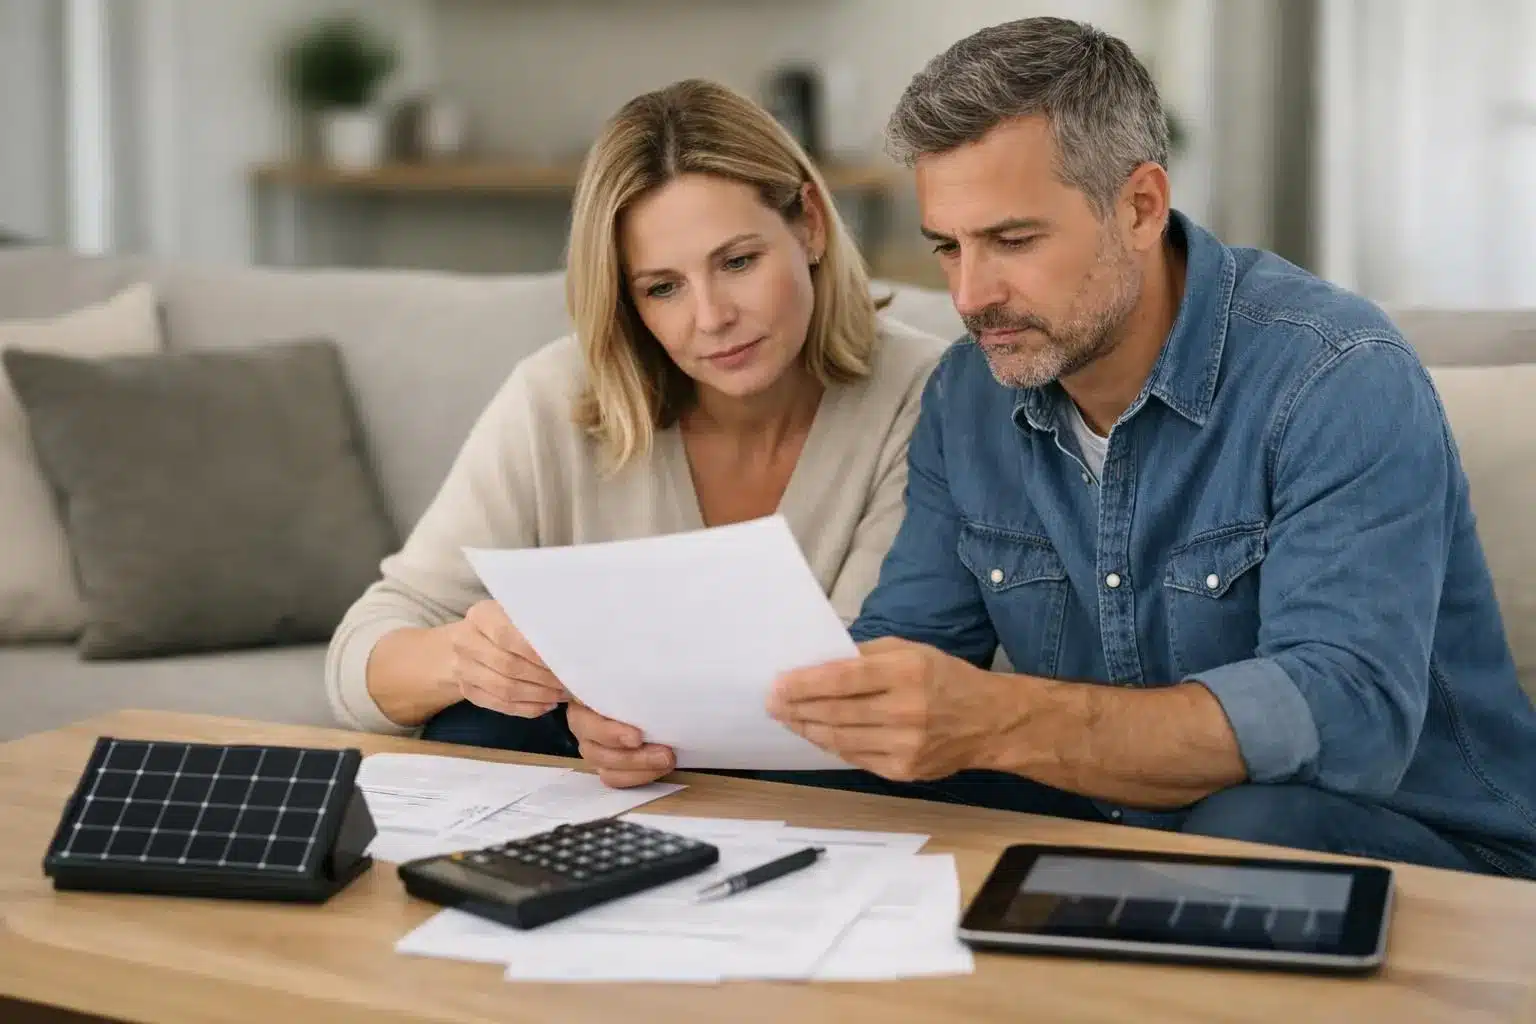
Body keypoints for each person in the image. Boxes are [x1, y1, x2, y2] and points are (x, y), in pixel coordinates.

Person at [593, 18, 1536, 879]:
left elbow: (1347, 718)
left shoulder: (1335, 376)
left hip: (1415, 848)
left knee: (1253, 823)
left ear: (1139, 205)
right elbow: (899, 654)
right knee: (851, 801)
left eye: (1009, 240)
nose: (968, 296)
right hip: (1113, 827)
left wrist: (999, 720)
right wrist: (673, 724)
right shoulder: (968, 396)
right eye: (947, 248)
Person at [325, 79, 944, 778]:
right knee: (478, 719)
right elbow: (361, 658)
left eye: (737, 262)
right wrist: (467, 660)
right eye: (662, 287)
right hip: (608, 812)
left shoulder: (924, 395)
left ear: (809, 224)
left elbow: (872, 683)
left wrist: (623, 716)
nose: (711, 317)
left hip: (831, 796)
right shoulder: (556, 396)